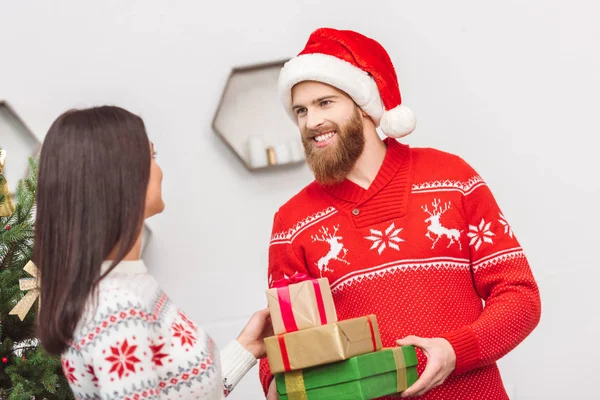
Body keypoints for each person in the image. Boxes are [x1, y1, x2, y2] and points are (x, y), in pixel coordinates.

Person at [260, 28, 541, 400]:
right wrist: (279, 387)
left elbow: (520, 296)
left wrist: (455, 351)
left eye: (325, 103)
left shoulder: (452, 178)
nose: (311, 122)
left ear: (365, 105)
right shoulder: (292, 222)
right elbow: (280, 344)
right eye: (301, 110)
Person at [35, 106, 272, 399]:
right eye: (152, 157)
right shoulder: (115, 308)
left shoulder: (126, 284)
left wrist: (245, 349)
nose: (159, 170)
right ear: (121, 177)